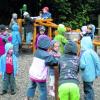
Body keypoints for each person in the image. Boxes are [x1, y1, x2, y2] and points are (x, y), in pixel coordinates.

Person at [26, 35, 58, 100]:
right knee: (43, 90)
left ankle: (27, 98)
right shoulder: (47, 56)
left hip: (32, 73)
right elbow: (55, 62)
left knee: (32, 85)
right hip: (39, 75)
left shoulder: (36, 51)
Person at [80, 36, 100, 100]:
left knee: (87, 89)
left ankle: (88, 98)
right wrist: (97, 73)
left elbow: (82, 65)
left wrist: (80, 67)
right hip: (92, 75)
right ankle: (91, 98)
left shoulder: (84, 54)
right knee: (90, 88)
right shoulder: (93, 52)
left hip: (86, 75)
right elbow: (98, 63)